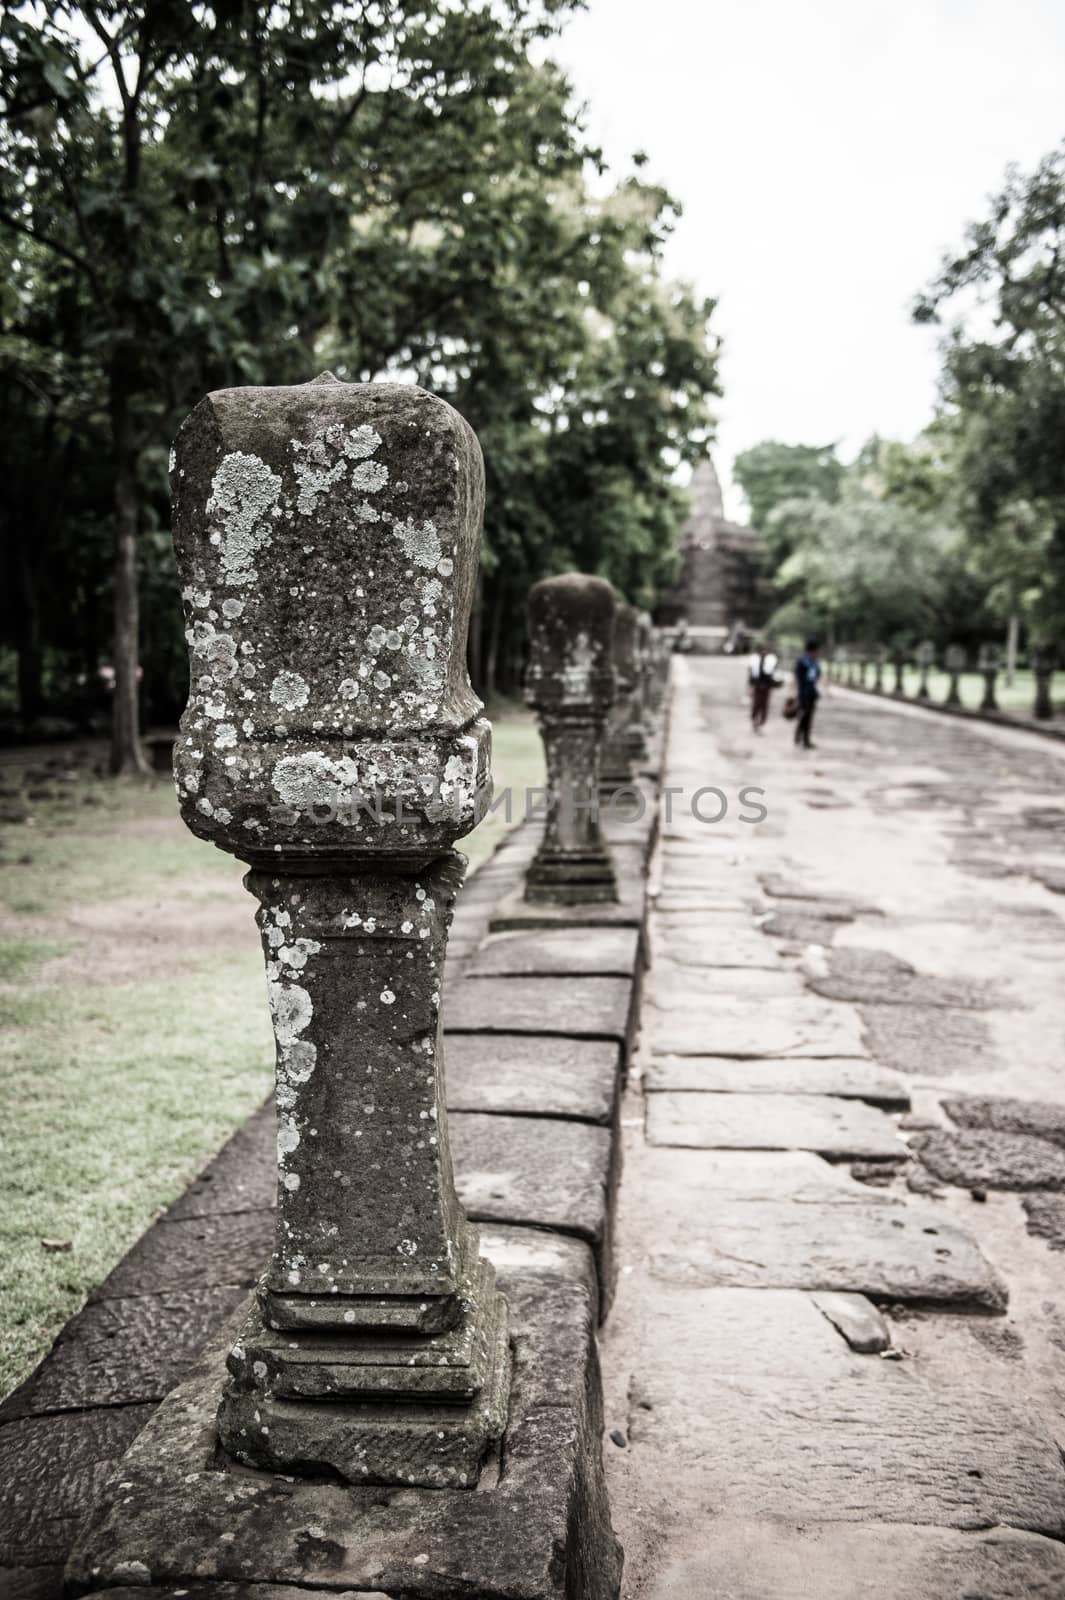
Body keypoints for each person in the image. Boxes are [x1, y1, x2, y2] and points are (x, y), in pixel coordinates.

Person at [794, 637, 821, 748]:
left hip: (812, 692)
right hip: (803, 692)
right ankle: (804, 738)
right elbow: (797, 677)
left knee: (809, 716)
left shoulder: (815, 662)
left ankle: (803, 737)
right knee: (805, 715)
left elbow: (817, 676)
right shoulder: (802, 661)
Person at [747, 640, 780, 730]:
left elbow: (773, 672)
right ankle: (755, 719)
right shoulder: (754, 660)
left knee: (764, 704)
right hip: (757, 684)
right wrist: (750, 686)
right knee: (757, 703)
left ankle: (761, 721)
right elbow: (751, 673)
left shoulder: (771, 660)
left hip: (766, 684)